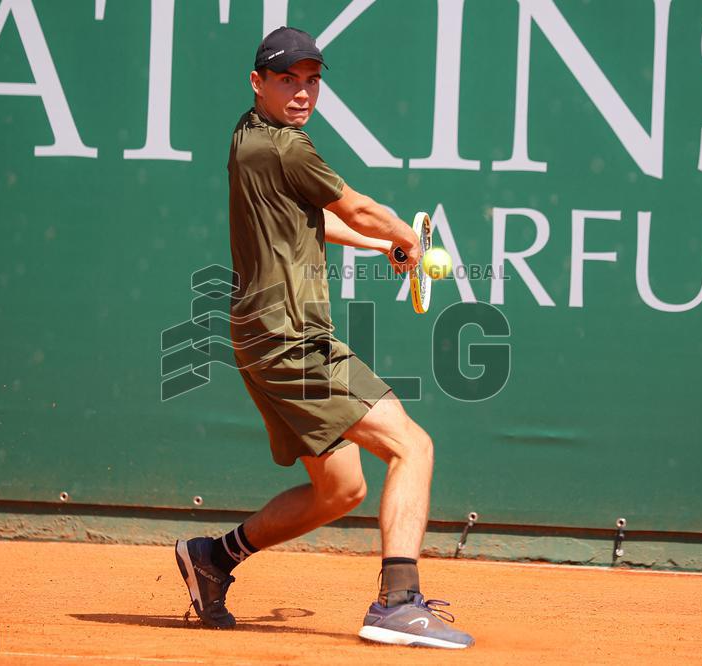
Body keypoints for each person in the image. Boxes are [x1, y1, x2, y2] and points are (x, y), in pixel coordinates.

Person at [174, 26, 473, 650]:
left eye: (311, 80)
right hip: (291, 339)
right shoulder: (287, 148)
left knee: (341, 490)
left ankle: (213, 558)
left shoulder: (248, 136)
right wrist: (407, 236)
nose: (303, 92)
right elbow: (354, 206)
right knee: (412, 447)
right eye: (287, 79)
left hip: (260, 336)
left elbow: (310, 219)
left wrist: (380, 245)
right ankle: (398, 603)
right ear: (257, 82)